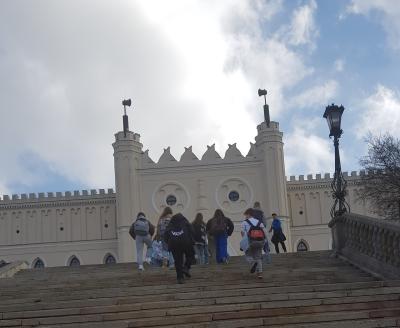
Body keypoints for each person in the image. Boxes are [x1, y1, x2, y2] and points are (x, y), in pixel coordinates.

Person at [164, 213, 196, 284]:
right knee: (191, 255)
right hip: (186, 242)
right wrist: (192, 240)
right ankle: (186, 268)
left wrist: (169, 243)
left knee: (178, 261)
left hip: (174, 244)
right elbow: (192, 230)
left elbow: (166, 235)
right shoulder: (185, 221)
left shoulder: (171, 223)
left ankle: (180, 278)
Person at [241, 208, 268, 279]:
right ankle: (260, 274)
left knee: (248, 256)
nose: (245, 216)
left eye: (246, 215)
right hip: (260, 242)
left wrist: (243, 242)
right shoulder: (259, 222)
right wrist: (265, 241)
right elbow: (265, 232)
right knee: (258, 257)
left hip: (250, 242)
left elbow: (243, 233)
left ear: (249, 214)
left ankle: (253, 262)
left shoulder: (244, 222)